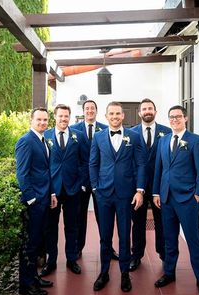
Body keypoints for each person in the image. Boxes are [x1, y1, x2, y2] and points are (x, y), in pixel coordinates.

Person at [153, 105, 199, 295]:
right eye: (171, 117)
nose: (174, 120)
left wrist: (198, 193)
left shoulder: (195, 141)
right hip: (166, 198)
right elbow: (159, 170)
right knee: (169, 240)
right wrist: (156, 193)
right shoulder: (164, 140)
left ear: (185, 118)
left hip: (187, 199)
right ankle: (169, 272)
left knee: (193, 240)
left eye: (178, 117)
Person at [89, 101, 146, 292]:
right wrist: (96, 188)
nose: (114, 117)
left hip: (125, 195)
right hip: (103, 194)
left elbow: (140, 164)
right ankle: (104, 272)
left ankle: (124, 274)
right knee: (105, 236)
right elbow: (93, 164)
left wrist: (139, 190)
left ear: (123, 116)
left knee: (124, 235)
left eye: (117, 114)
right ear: (106, 116)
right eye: (111, 114)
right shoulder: (97, 137)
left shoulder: (134, 136)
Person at [40, 104, 88, 277]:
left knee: (72, 226)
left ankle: (71, 259)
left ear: (69, 117)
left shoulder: (79, 136)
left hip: (73, 189)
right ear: (55, 117)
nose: (63, 119)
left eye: (66, 116)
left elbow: (85, 161)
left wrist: (81, 183)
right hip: (52, 190)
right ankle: (51, 261)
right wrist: (48, 187)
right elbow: (42, 164)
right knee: (51, 227)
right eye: (60, 116)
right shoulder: (45, 135)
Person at [16, 107, 57, 295]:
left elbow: (45, 171)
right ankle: (26, 284)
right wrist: (32, 199)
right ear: (31, 120)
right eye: (39, 119)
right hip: (35, 202)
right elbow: (22, 174)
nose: (42, 123)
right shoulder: (26, 141)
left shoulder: (43, 140)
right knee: (31, 244)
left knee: (38, 241)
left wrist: (51, 195)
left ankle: (34, 277)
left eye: (45, 120)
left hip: (44, 199)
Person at [71, 99, 119, 260]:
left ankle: (108, 247)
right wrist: (80, 178)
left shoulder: (105, 129)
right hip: (82, 182)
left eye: (92, 108)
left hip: (102, 181)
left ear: (96, 111)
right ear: (83, 111)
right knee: (79, 216)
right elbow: (73, 157)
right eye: (87, 108)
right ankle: (78, 248)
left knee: (104, 217)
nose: (90, 111)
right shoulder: (73, 130)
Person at [130, 98, 171, 271]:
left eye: (150, 108)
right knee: (137, 222)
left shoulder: (167, 132)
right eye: (144, 109)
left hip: (159, 186)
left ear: (155, 111)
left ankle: (164, 254)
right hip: (137, 186)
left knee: (162, 222)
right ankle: (137, 255)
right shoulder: (131, 133)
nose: (147, 111)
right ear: (139, 113)